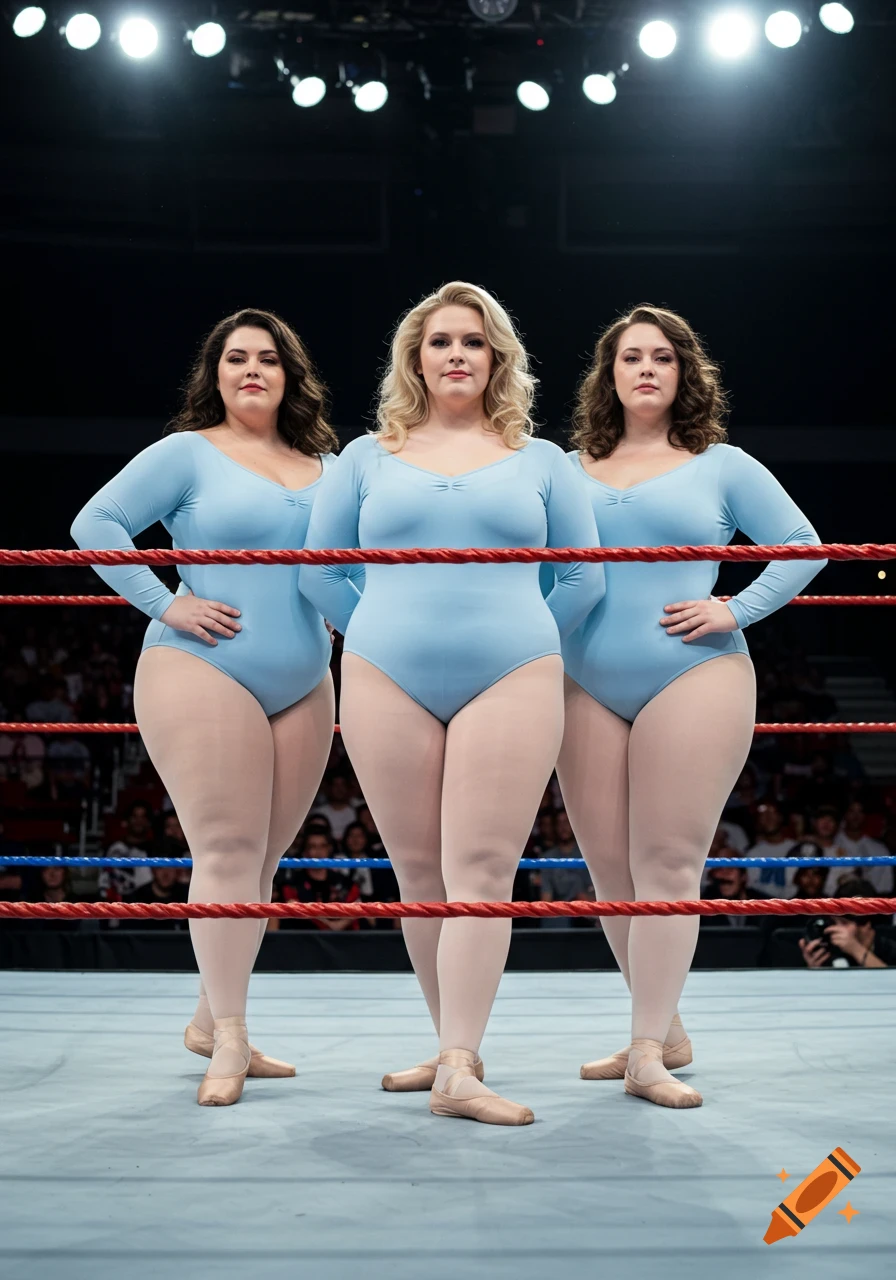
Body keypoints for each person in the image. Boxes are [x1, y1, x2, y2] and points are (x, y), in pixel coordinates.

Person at [301, 281, 604, 1125]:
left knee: (481, 871)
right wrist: (379, 634)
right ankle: (447, 1052)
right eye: (440, 341)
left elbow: (585, 574)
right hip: (381, 673)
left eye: (473, 340)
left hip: (514, 673)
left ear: (497, 357)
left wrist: (525, 635)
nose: (458, 353)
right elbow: (318, 571)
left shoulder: (543, 460)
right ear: (415, 358)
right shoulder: (363, 456)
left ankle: (462, 1066)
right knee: (420, 874)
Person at [71, 308, 344, 1106]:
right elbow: (96, 524)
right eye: (235, 358)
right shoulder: (187, 452)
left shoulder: (326, 464)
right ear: (215, 374)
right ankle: (230, 1038)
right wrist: (165, 603)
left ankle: (208, 1016)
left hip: (305, 676)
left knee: (258, 867)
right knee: (226, 851)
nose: (251, 369)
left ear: (290, 373)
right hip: (203, 664)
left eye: (266, 357)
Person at [555, 304, 825, 1107]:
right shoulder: (564, 469)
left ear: (684, 374)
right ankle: (661, 1026)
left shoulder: (722, 464)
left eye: (662, 358)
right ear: (608, 374)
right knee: (608, 871)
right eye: (631, 356)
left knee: (667, 862)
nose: (646, 368)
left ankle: (646, 1050)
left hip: (694, 672)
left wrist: (734, 609)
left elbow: (804, 547)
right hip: (582, 679)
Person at [537, 810, 593, 930]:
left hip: (587, 913)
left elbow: (595, 893)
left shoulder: (588, 856)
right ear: (555, 827)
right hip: (560, 916)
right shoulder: (547, 858)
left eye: (567, 822)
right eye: (560, 823)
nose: (563, 827)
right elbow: (546, 898)